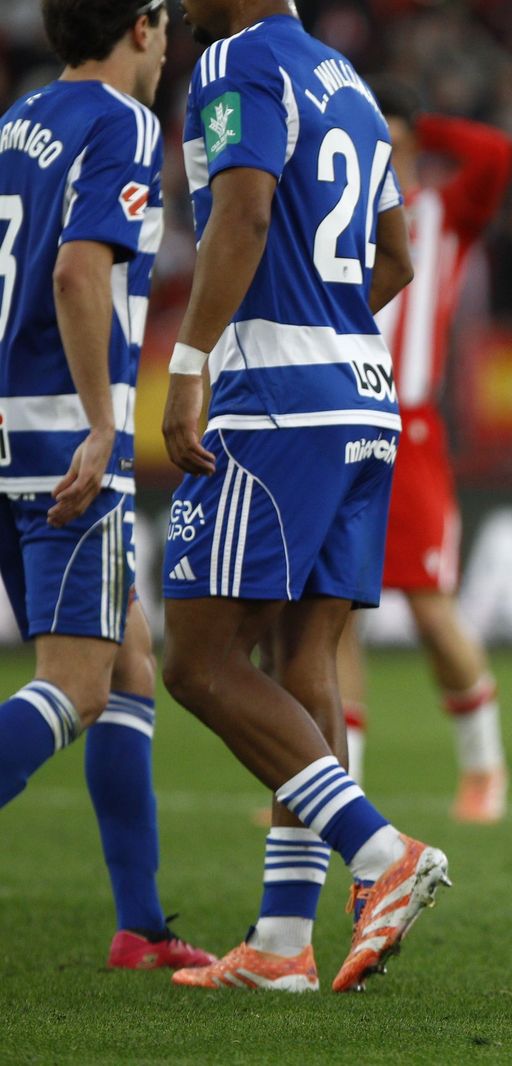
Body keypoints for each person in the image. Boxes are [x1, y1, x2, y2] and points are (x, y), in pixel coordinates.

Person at [157, 0, 447, 994]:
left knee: (195, 662)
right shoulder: (348, 79)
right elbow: (399, 257)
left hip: (277, 405)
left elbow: (242, 212)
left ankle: (380, 854)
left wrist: (191, 363)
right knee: (303, 653)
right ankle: (283, 941)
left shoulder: (235, 60)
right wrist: (326, 340)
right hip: (364, 398)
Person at [0, 0, 214, 973]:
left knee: (129, 664)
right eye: (164, 19)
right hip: (66, 446)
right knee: (76, 684)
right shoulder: (122, 123)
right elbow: (80, 274)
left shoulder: (16, 122)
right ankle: (142, 922)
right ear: (139, 26)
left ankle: (141, 925)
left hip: (10, 430)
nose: (169, 38)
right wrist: (100, 421)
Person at [335, 83, 512, 823]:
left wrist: (418, 117)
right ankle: (336, 786)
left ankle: (484, 767)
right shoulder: (337, 206)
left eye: (389, 133)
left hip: (408, 431)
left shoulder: (444, 212)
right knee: (336, 611)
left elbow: (497, 153)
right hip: (341, 417)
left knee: (431, 610)